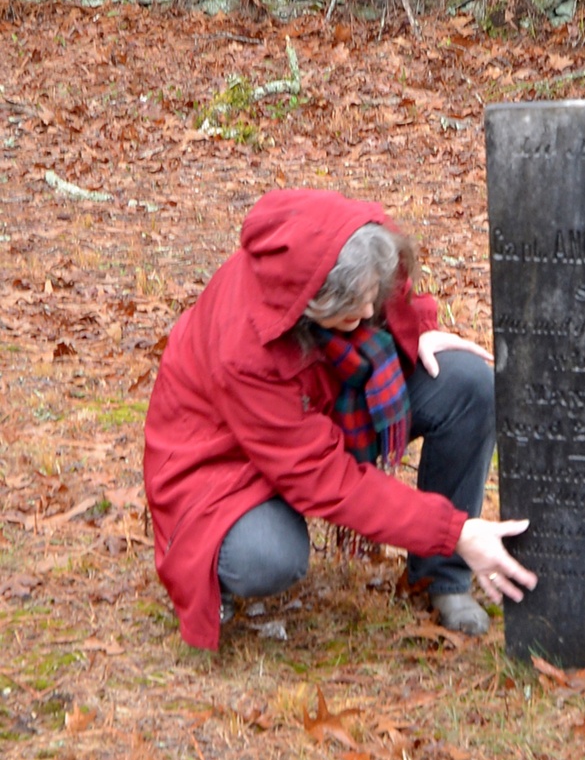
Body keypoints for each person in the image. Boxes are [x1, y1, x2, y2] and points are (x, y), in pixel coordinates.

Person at [143, 188, 536, 650]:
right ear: (310, 304)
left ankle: (442, 578)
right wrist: (455, 528)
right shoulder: (245, 351)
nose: (371, 315)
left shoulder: (352, 241)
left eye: (372, 300)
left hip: (325, 403)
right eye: (354, 311)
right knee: (268, 557)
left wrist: (419, 330)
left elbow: (391, 290)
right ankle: (216, 571)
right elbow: (326, 479)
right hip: (223, 460)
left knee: (469, 386)